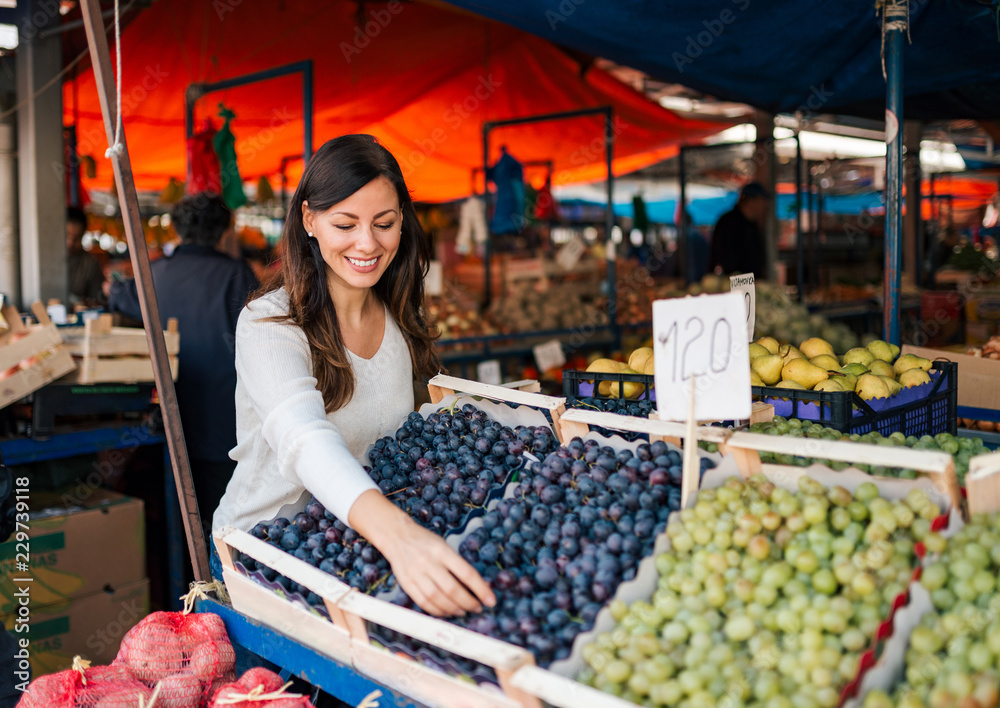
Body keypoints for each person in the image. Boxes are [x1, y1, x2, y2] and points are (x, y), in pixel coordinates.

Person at [213, 135, 496, 618]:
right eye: (345, 224)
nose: (367, 244)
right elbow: (303, 436)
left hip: (356, 551)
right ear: (309, 221)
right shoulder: (268, 323)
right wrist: (399, 535)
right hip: (265, 555)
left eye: (384, 224)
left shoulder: (399, 316)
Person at [109, 193, 258, 534]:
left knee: (177, 519)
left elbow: (117, 296)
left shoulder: (154, 273)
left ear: (177, 230)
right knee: (223, 522)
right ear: (225, 232)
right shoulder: (236, 273)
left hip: (166, 419)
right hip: (224, 425)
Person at [707, 181, 770, 278]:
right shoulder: (728, 222)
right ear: (752, 201)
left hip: (751, 283)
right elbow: (724, 258)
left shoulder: (752, 224)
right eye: (762, 201)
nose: (764, 206)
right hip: (733, 283)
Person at [66, 206, 106, 305]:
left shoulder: (90, 264)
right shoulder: (42, 260)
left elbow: (97, 300)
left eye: (76, 238)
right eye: (66, 235)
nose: (70, 243)